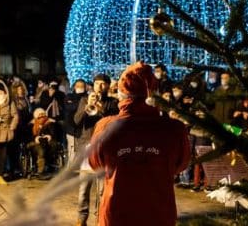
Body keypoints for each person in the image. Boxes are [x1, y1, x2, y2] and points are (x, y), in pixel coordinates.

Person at [89, 62, 191, 226]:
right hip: (158, 211)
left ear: (121, 92)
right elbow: (181, 164)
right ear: (152, 91)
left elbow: (96, 164)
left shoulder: (105, 126)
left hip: (117, 211)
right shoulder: (174, 129)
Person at [74, 73, 118, 226]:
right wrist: (87, 108)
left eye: (102, 83)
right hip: (88, 146)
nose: (99, 86)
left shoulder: (113, 103)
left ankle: (100, 218)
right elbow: (77, 121)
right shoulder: (84, 100)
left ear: (107, 85)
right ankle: (81, 219)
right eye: (96, 83)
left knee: (102, 189)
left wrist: (101, 111)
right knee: (83, 188)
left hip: (104, 148)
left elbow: (113, 123)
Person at [27, 108, 59, 179]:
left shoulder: (50, 123)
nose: (42, 117)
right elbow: (28, 136)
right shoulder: (31, 124)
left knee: (53, 145)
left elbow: (54, 133)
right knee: (40, 150)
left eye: (43, 115)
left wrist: (49, 135)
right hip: (35, 143)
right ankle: (40, 171)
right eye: (40, 116)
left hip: (47, 141)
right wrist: (35, 138)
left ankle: (50, 164)